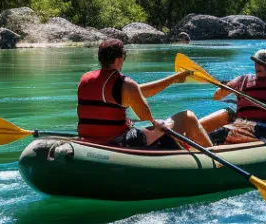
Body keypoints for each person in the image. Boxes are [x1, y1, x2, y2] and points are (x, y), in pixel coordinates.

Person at [77, 38, 214, 149]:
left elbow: (137, 92)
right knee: (187, 117)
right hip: (118, 142)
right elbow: (145, 116)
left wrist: (172, 79)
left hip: (89, 139)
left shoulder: (85, 79)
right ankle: (214, 158)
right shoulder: (125, 84)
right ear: (119, 58)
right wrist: (159, 126)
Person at [209, 49, 266, 145]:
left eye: (261, 63)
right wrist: (225, 87)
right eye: (256, 63)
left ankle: (211, 141)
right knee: (225, 114)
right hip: (241, 124)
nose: (257, 66)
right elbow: (217, 96)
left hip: (264, 127)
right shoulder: (242, 80)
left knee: (220, 134)